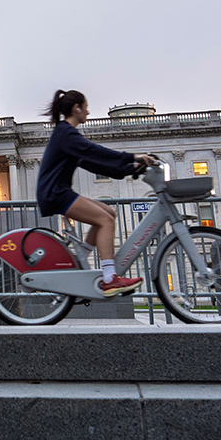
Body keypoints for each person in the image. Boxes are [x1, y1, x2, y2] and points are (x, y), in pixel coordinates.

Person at [35, 89, 158, 296]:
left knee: (109, 213)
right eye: (87, 108)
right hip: (55, 193)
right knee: (105, 220)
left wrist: (131, 169)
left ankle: (80, 257)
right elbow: (95, 152)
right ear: (77, 108)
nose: (88, 112)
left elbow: (95, 164)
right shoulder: (66, 134)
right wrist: (132, 156)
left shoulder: (66, 135)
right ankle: (110, 278)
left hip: (57, 191)